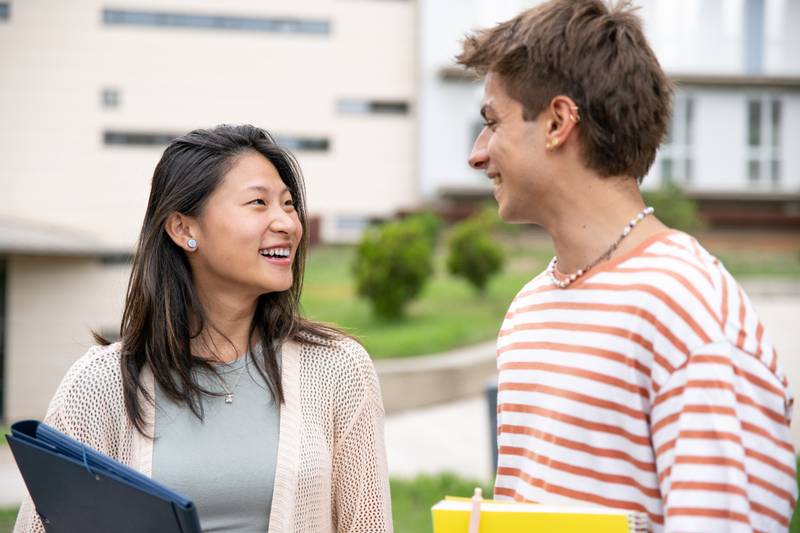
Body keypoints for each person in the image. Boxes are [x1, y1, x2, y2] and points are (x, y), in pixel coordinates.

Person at [458, 1, 796, 531]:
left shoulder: (687, 310)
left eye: (492, 123)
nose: (478, 154)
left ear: (557, 123)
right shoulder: (529, 307)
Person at [14, 124, 393, 533]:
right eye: (258, 203)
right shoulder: (98, 386)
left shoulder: (338, 370)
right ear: (184, 229)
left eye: (288, 203)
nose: (287, 222)